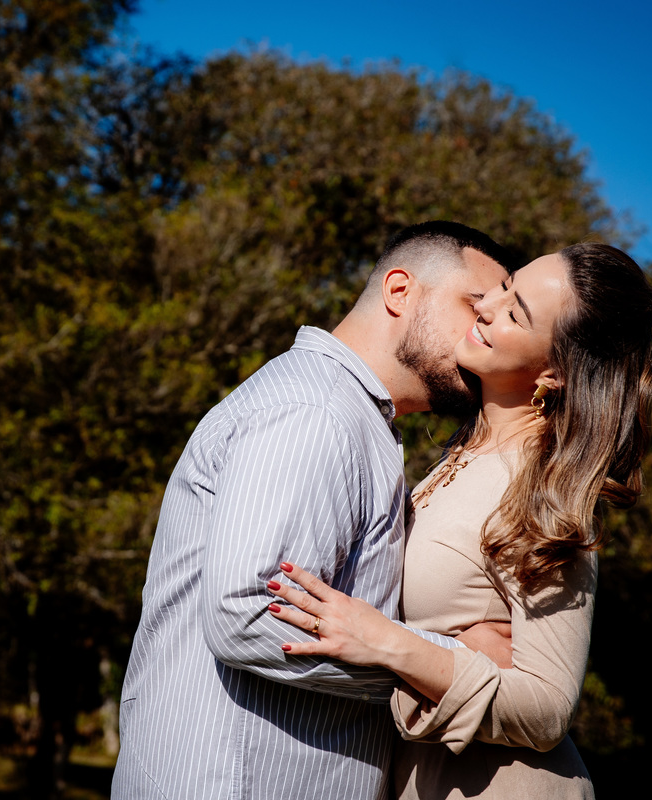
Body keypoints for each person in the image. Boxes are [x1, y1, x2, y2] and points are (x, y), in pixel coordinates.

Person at [111, 221, 514, 800]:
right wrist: (448, 664)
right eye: (476, 309)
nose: (486, 337)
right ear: (400, 292)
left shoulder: (345, 415)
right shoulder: (317, 412)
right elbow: (246, 613)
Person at [267, 242, 652, 799]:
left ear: (556, 371)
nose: (487, 306)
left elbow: (548, 709)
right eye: (505, 286)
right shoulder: (461, 456)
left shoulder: (545, 494)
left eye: (517, 312)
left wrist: (388, 642)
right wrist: (453, 648)